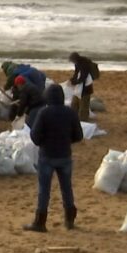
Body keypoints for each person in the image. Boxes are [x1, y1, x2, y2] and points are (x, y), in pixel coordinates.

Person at [24, 84, 83, 232]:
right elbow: (79, 135)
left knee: (44, 190)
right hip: (65, 155)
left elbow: (35, 137)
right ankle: (69, 221)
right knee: (67, 188)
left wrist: (44, 140)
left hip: (47, 156)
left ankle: (40, 222)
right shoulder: (70, 113)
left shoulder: (44, 113)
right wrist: (66, 140)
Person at [68, 52, 96, 122]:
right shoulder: (77, 63)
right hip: (79, 88)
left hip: (86, 88)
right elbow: (76, 73)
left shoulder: (84, 64)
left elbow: (83, 77)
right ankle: (73, 118)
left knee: (83, 106)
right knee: (74, 104)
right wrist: (72, 80)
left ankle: (83, 121)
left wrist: (74, 82)